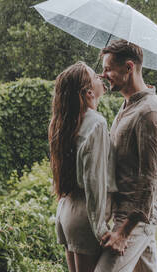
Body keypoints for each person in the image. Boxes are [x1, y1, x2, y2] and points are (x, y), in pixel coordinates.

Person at [95, 40, 157, 272]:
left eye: (108, 68)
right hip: (125, 210)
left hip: (134, 217)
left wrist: (123, 231)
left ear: (129, 67)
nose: (104, 74)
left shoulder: (149, 112)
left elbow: (152, 178)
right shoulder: (129, 104)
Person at [49, 62, 118, 272]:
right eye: (96, 77)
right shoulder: (96, 123)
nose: (102, 78)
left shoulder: (63, 123)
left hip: (67, 211)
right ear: (88, 92)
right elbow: (94, 182)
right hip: (87, 218)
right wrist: (100, 229)